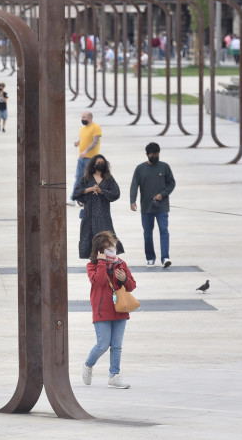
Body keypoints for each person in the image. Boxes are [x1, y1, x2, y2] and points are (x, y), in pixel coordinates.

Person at [82, 231, 136, 390]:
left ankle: (114, 376)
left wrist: (124, 279)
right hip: (102, 310)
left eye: (113, 247)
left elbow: (132, 286)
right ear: (100, 251)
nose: (113, 251)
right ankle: (88, 365)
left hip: (120, 309)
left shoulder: (121, 264)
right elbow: (98, 281)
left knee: (117, 345)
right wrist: (101, 263)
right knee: (102, 344)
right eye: (108, 249)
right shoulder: (92, 266)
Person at [129, 142, 176, 268]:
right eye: (152, 154)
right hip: (146, 207)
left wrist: (163, 194)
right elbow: (134, 185)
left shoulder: (165, 167)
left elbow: (171, 184)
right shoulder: (140, 169)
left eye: (156, 154)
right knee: (148, 233)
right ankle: (150, 258)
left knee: (164, 230)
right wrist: (132, 201)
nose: (155, 156)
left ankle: (165, 257)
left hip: (162, 206)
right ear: (147, 154)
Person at [73, 155, 124, 259]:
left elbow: (116, 193)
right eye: (98, 162)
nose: (100, 164)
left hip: (103, 214)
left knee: (106, 238)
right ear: (93, 164)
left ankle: (107, 261)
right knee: (89, 238)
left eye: (102, 162)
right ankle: (95, 263)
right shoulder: (87, 178)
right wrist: (90, 189)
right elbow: (76, 193)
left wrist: (102, 191)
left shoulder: (108, 178)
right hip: (89, 215)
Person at [67, 111, 102, 206]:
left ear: (90, 118)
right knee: (78, 177)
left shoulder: (96, 128)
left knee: (89, 178)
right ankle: (73, 198)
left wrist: (86, 151)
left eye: (84, 117)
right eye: (82, 117)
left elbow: (95, 142)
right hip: (81, 158)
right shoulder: (83, 128)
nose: (82, 119)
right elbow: (82, 138)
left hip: (91, 158)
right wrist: (78, 143)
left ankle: (87, 199)